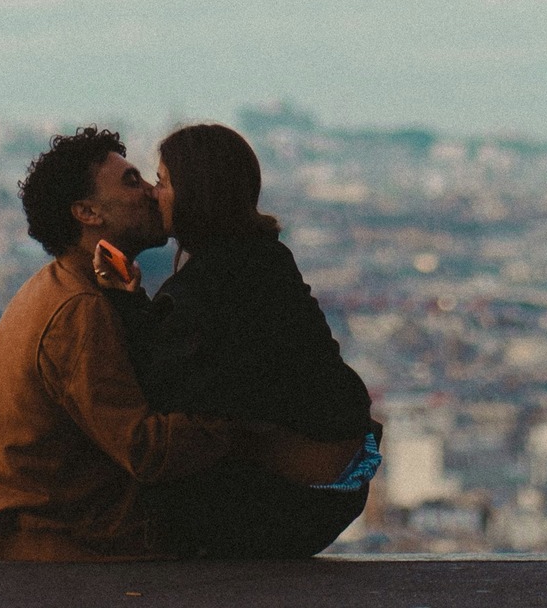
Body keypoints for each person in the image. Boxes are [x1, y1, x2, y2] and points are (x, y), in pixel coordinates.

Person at [94, 122, 380, 558]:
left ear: (196, 193)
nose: (153, 192)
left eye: (164, 181)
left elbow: (161, 392)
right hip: (340, 480)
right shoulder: (265, 258)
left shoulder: (204, 287)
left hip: (288, 498)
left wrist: (127, 309)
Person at [0, 127, 236, 560]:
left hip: (33, 541)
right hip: (63, 551)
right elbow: (144, 450)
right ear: (87, 212)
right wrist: (242, 421)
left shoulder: (62, 288)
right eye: (132, 181)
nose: (151, 193)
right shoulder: (78, 310)